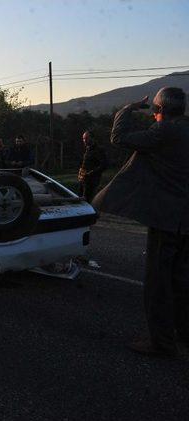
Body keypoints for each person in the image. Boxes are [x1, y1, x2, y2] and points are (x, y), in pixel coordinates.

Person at [93, 87, 189, 358]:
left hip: (167, 217)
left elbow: (118, 137)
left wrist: (127, 109)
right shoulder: (185, 129)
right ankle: (184, 334)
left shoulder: (165, 131)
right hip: (185, 219)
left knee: (159, 281)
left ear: (158, 110)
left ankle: (161, 342)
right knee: (181, 280)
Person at [77, 131, 107, 202]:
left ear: (92, 138)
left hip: (92, 181)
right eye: (83, 139)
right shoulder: (87, 149)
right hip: (83, 179)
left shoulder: (99, 150)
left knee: (87, 201)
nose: (84, 140)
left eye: (86, 138)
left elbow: (104, 165)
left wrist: (90, 173)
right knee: (79, 199)